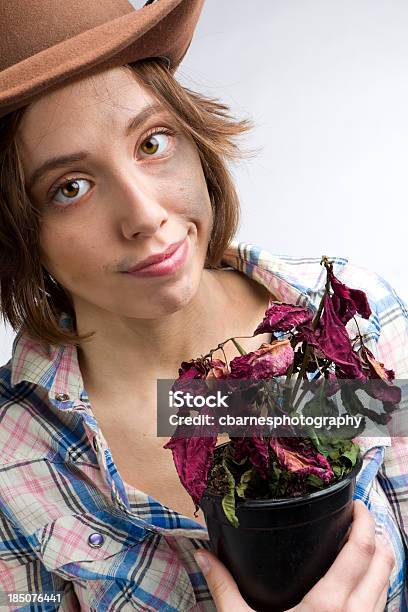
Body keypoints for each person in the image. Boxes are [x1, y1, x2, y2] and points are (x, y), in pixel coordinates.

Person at [0, 0, 405, 609]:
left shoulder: (351, 323)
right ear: (16, 231)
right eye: (70, 188)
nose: (145, 215)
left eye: (152, 142)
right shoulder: (17, 458)